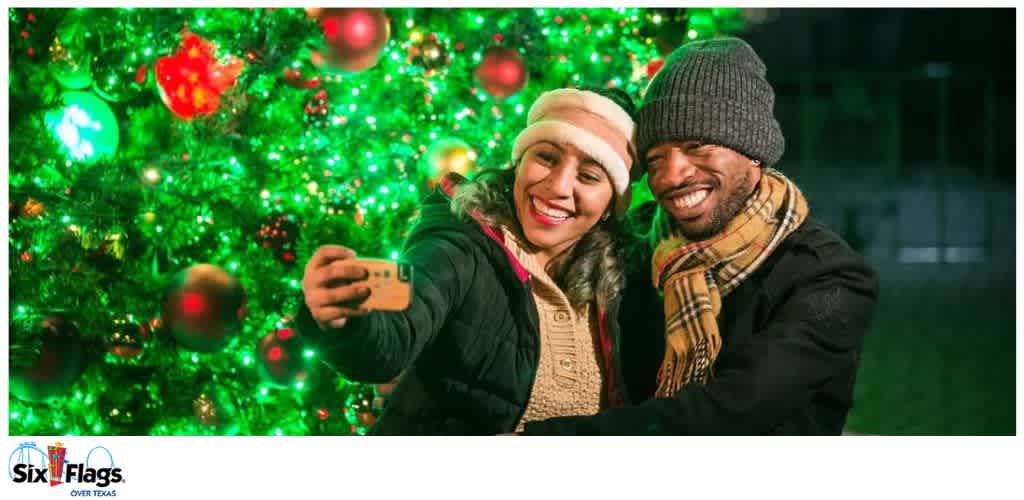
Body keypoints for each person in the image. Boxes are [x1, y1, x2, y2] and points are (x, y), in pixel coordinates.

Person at [521, 37, 880, 435]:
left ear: (752, 150)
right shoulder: (636, 243)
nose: (672, 176)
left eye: (698, 147)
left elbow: (738, 409)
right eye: (656, 159)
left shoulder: (829, 276)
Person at [296, 86, 638, 434]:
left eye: (589, 176)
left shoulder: (622, 283)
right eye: (546, 158)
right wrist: (345, 318)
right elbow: (396, 327)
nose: (559, 186)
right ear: (519, 162)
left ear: (612, 205)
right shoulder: (459, 242)